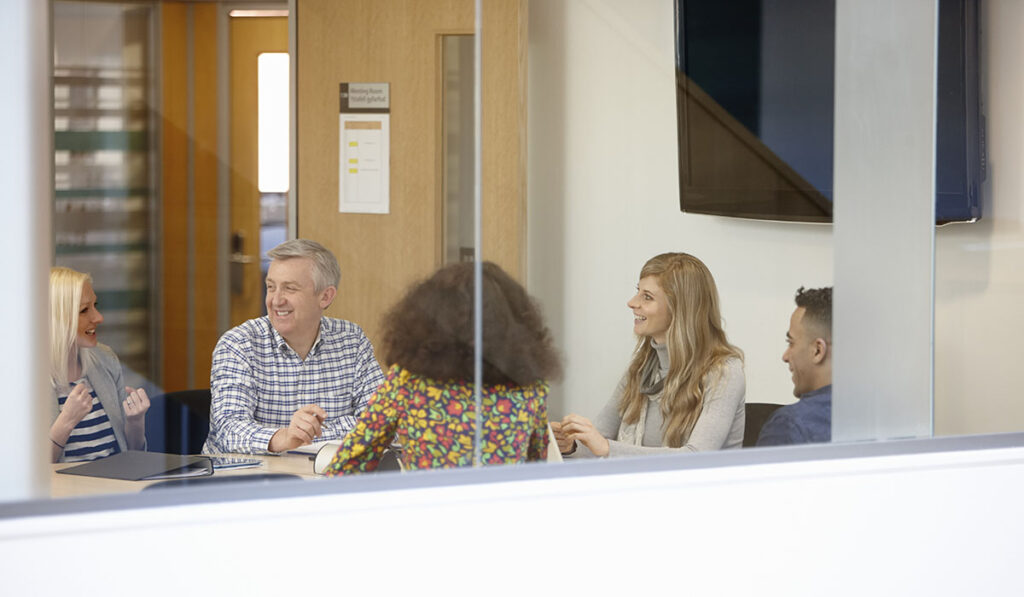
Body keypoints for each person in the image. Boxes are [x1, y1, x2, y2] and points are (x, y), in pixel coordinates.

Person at [323, 261, 561, 475]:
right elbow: (534, 470)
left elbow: (348, 465)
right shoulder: (529, 388)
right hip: (499, 517)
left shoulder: (407, 384)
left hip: (430, 515)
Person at [552, 252, 745, 457]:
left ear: (679, 309)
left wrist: (607, 447)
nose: (632, 303)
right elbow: (598, 443)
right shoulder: (643, 366)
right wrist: (570, 445)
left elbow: (695, 457)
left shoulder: (725, 372)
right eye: (638, 292)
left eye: (647, 297)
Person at [203, 239, 385, 454]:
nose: (275, 300)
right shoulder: (239, 344)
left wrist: (303, 435)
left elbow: (381, 422)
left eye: (290, 289)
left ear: (325, 297)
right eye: (271, 287)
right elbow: (228, 431)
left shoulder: (352, 341)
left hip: (323, 478)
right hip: (247, 481)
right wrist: (284, 437)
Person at [48, 267, 150, 463]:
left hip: (112, 486)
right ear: (56, 319)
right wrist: (66, 421)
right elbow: (25, 472)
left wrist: (135, 422)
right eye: (84, 310)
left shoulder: (104, 359)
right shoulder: (20, 377)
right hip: (65, 492)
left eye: (95, 305)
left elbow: (133, 457)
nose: (98, 317)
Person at [757, 286, 832, 446]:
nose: (785, 356)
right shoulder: (883, 420)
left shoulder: (789, 427)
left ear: (818, 350)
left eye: (791, 343)